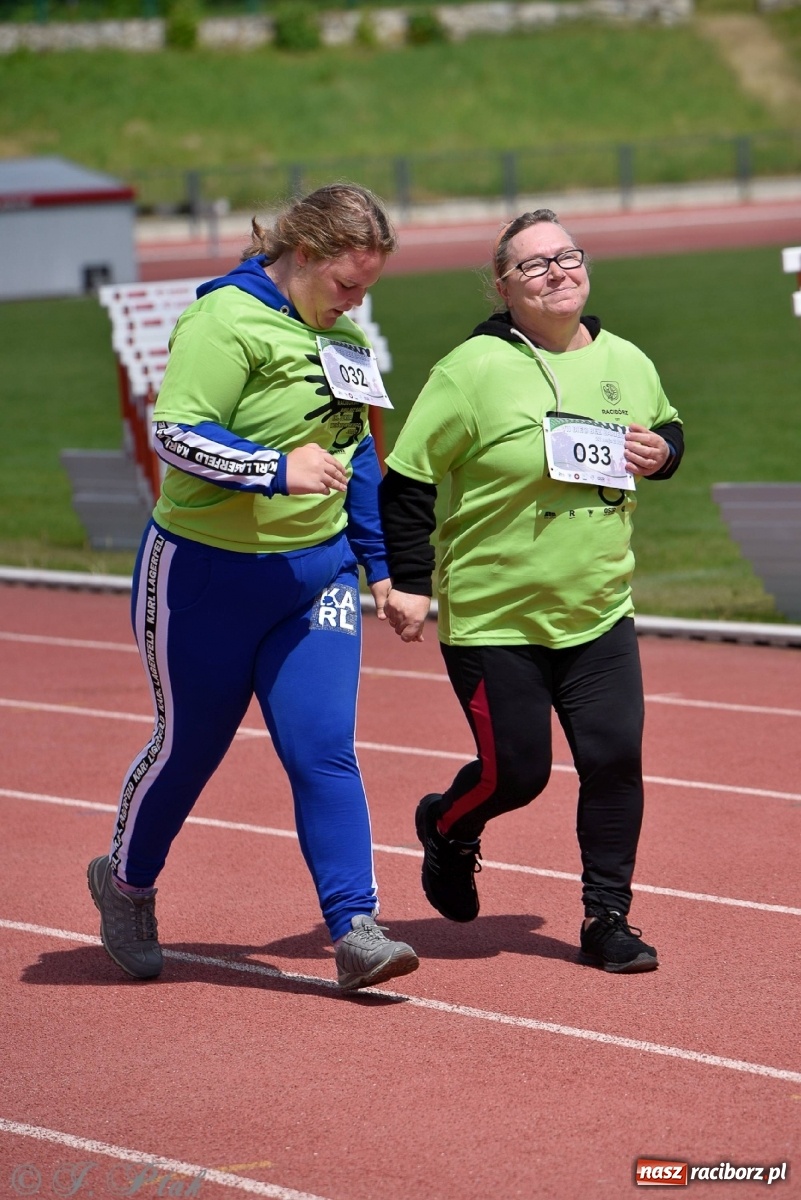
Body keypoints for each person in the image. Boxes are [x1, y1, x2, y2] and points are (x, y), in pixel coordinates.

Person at [87, 183, 419, 993]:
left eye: (367, 290)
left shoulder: (342, 340)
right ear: (301, 254)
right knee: (190, 747)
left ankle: (355, 927)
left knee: (322, 749)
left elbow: (361, 456)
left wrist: (383, 570)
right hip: (202, 576)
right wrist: (275, 468)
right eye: (347, 284)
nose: (355, 303)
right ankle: (125, 884)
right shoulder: (223, 321)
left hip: (316, 581)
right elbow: (175, 433)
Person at [379, 208, 684, 973]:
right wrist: (410, 583)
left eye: (567, 256)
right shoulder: (470, 370)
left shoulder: (626, 359)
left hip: (597, 609)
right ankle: (446, 827)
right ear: (502, 287)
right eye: (534, 264)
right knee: (515, 774)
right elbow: (408, 480)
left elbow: (668, 430)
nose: (557, 272)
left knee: (613, 762)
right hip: (494, 618)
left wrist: (663, 453)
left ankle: (606, 919)